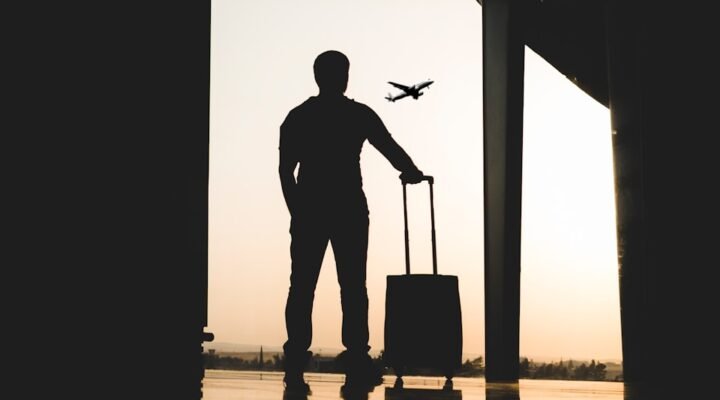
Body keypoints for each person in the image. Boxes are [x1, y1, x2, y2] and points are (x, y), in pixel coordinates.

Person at [278, 50, 425, 394]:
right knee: (353, 286)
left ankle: (296, 354)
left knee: (301, 286)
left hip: (310, 208)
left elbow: (286, 171)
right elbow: (387, 146)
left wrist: (296, 211)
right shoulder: (357, 114)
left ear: (316, 77)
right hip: (349, 209)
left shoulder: (298, 117)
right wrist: (411, 170)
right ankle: (357, 354)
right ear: (344, 77)